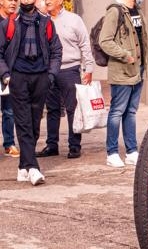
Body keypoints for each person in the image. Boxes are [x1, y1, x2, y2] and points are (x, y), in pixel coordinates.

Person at [0, 0, 62, 185]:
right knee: (24, 122)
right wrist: (5, 75)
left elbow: (56, 50)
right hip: (18, 77)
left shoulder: (45, 21)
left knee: (34, 123)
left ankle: (22, 167)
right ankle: (33, 168)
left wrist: (51, 74)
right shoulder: (9, 23)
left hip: (41, 77)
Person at [36, 0, 94, 159]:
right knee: (52, 109)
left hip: (69, 70)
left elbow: (85, 45)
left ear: (60, 1)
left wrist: (88, 68)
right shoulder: (41, 20)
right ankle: (51, 145)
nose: (47, 1)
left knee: (72, 110)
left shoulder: (74, 19)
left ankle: (74, 146)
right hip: (48, 71)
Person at [99, 0, 148, 167]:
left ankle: (131, 151)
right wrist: (124, 54)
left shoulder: (137, 10)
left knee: (131, 111)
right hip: (122, 70)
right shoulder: (115, 11)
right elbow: (104, 41)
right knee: (117, 111)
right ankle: (112, 152)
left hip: (138, 68)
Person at [0, 0, 20, 158]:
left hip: (9, 73)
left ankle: (9, 144)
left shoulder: (17, 21)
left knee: (9, 110)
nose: (13, 3)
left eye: (16, 0)